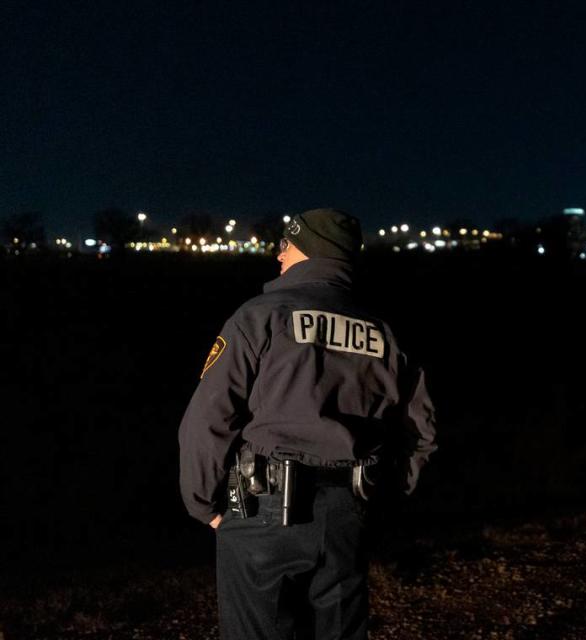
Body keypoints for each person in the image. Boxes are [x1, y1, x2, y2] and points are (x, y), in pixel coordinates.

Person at [178, 208, 437, 640]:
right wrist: (381, 501)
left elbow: (208, 418)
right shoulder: (385, 332)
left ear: (311, 251)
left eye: (287, 244)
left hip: (261, 511)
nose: (279, 254)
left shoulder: (259, 316)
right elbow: (421, 433)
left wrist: (203, 505)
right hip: (348, 513)